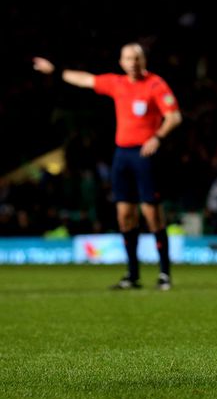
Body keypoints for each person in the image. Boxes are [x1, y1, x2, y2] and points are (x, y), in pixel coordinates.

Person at [33, 43, 182, 290]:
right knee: (124, 215)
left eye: (137, 58)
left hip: (145, 155)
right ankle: (132, 275)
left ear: (143, 60)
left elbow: (174, 116)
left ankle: (164, 273)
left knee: (151, 214)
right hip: (122, 154)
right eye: (128, 59)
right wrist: (56, 71)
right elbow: (86, 80)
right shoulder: (117, 83)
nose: (133, 63)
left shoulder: (156, 84)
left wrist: (157, 137)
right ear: (121, 62)